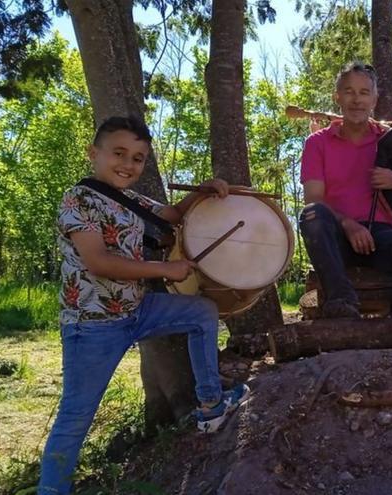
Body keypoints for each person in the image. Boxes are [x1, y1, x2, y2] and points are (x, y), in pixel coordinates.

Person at [39, 116, 249, 494]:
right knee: (75, 418)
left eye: (137, 158)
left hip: (135, 311)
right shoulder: (79, 199)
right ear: (93, 154)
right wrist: (164, 268)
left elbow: (170, 215)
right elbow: (99, 262)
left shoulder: (129, 197)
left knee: (202, 312)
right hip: (92, 326)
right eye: (118, 153)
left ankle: (210, 407)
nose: (128, 164)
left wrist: (201, 193)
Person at [299, 62, 392, 318]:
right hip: (337, 236)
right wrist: (348, 225)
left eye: (363, 92)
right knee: (312, 215)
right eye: (349, 91)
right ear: (337, 97)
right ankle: (341, 303)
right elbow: (312, 199)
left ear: (374, 98)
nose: (356, 100)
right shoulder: (317, 143)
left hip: (382, 237)